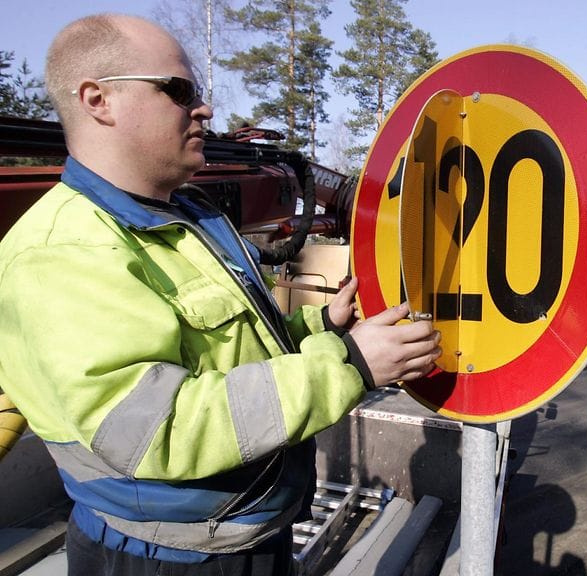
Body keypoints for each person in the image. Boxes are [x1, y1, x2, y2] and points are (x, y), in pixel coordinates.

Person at [0, 13, 441, 575]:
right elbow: (159, 429)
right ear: (97, 100)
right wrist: (351, 363)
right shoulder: (65, 252)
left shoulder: (186, 215)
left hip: (243, 534)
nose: (203, 110)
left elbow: (227, 350)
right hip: (165, 557)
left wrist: (321, 327)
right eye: (178, 91)